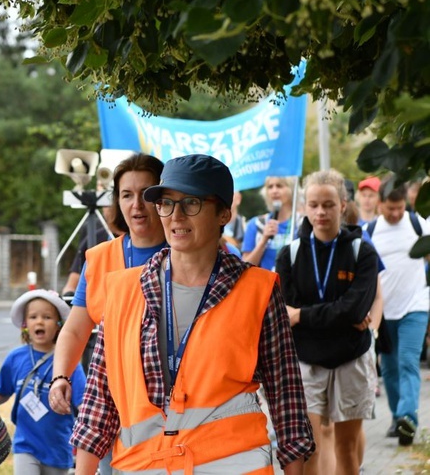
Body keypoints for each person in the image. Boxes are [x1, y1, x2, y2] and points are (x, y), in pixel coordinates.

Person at [70, 154, 314, 474]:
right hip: (143, 465)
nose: (176, 216)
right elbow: (98, 404)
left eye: (192, 203)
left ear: (223, 213)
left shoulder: (258, 290)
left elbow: (287, 399)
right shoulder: (121, 291)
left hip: (234, 464)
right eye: (167, 203)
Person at [49, 153, 167, 475]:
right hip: (110, 404)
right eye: (126, 195)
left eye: (146, 194)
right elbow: (75, 330)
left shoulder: (186, 254)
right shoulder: (99, 258)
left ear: (163, 198)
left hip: (169, 409)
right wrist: (61, 375)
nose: (136, 205)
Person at [275, 169, 379, 474]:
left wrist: (304, 315)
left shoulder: (362, 252)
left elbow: (353, 311)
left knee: (346, 447)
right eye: (314, 204)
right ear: (305, 207)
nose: (321, 212)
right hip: (306, 362)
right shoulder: (290, 255)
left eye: (329, 204)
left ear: (343, 205)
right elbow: (286, 312)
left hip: (350, 359)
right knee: (310, 448)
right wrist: (338, 315)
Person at [365, 177, 430, 446]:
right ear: (380, 204)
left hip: (415, 305)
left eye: (400, 208)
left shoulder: (418, 224)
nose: (395, 213)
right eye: (390, 208)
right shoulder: (370, 231)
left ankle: (408, 416)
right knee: (389, 369)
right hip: (383, 311)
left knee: (407, 361)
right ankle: (396, 419)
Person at [0, 289, 86, 474]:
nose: (40, 321)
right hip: (25, 446)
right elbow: (0, 394)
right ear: (25, 324)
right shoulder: (15, 358)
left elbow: (82, 402)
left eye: (47, 317)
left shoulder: (70, 361)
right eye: (33, 317)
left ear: (59, 324)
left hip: (58, 450)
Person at [242, 176, 297, 270]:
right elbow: (244, 267)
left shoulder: (301, 223)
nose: (274, 191)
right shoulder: (256, 224)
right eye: (270, 187)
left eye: (279, 186)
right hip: (266, 283)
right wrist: (263, 240)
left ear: (291, 189)